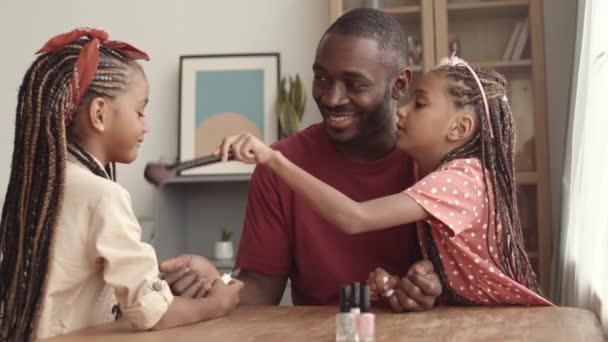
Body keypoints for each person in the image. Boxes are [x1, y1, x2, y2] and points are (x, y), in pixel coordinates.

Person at [216, 53, 554, 306]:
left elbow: (354, 217)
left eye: (419, 104)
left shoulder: (459, 180)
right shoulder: (449, 178)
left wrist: (274, 159)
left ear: (459, 128)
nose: (402, 111)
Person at [161, 8, 442, 311]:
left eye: (355, 84)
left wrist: (430, 286)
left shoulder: (435, 165)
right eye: (321, 78)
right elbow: (260, 287)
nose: (332, 98)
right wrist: (216, 285)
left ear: (399, 85)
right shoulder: (280, 165)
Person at [0, 28, 243, 341]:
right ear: (100, 114)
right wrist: (217, 304)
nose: (147, 125)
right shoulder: (104, 195)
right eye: (140, 111)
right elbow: (150, 313)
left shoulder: (44, 187)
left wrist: (160, 288)